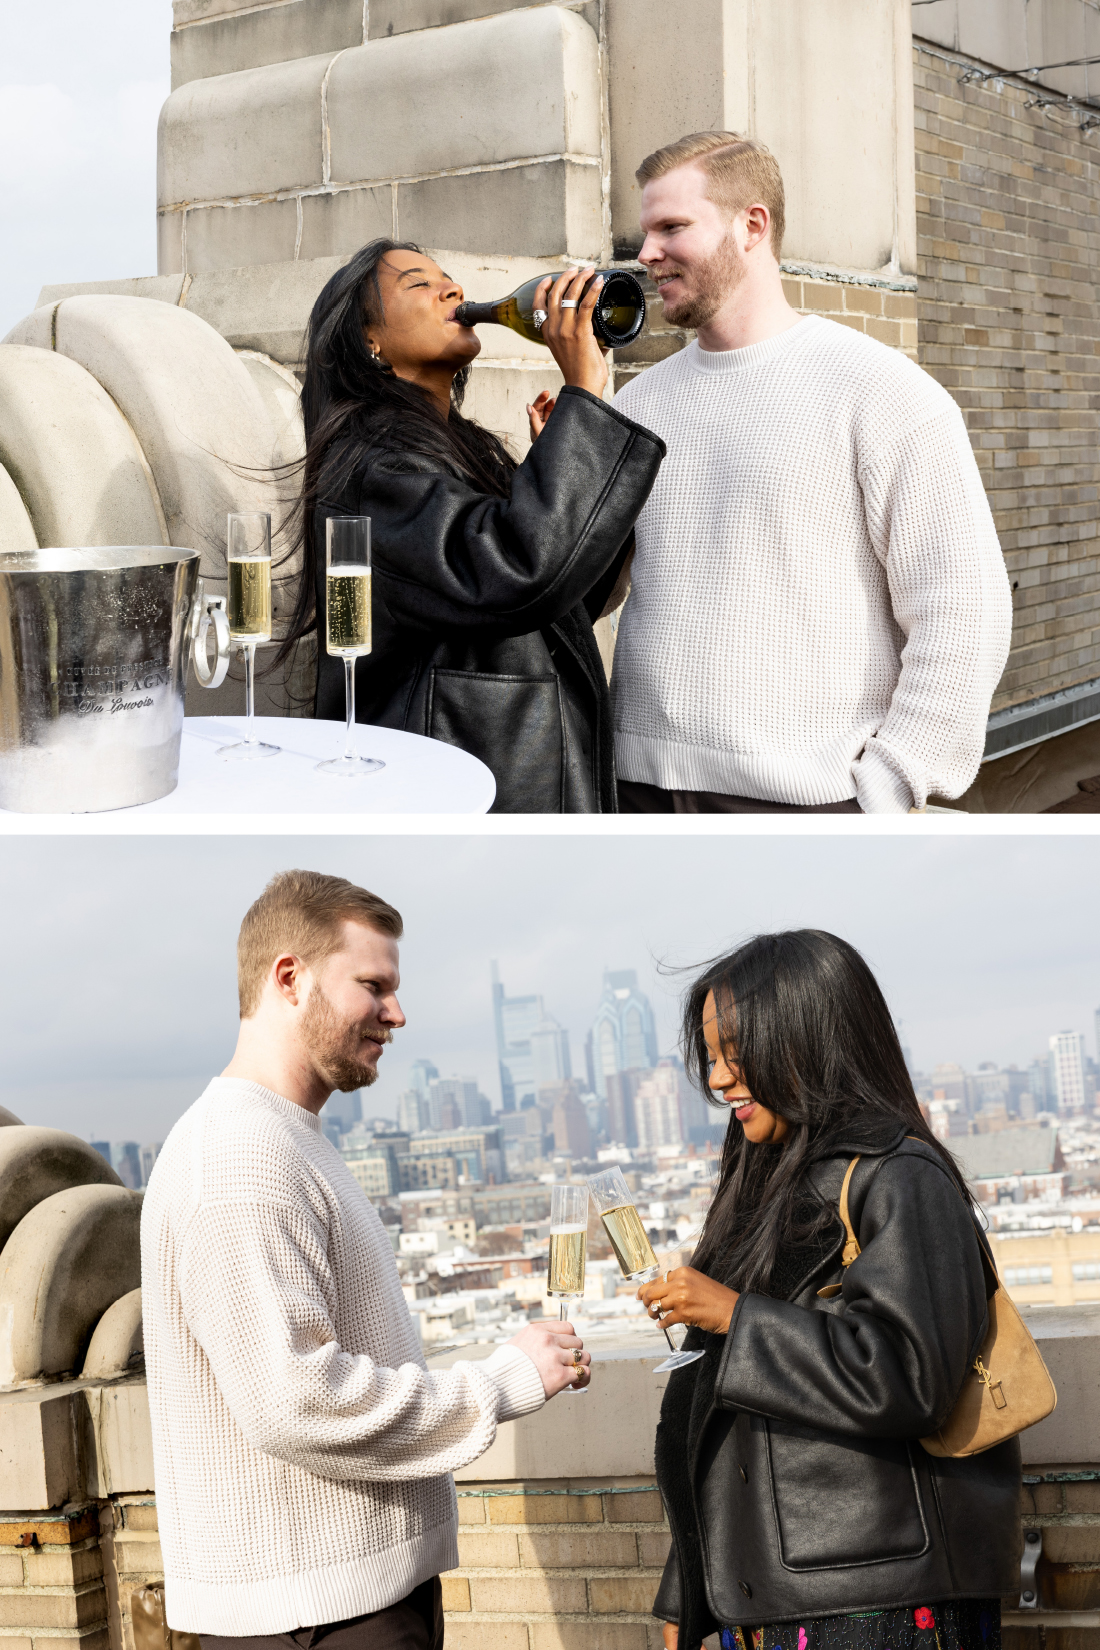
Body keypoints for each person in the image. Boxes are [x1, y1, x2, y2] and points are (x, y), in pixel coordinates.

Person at [141, 869, 590, 1650]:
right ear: (291, 977)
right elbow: (296, 1401)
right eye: (373, 984)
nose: (397, 1013)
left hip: (339, 1605)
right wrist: (502, 1381)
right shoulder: (242, 1158)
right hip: (319, 1621)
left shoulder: (282, 1137)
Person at [637, 930, 1019, 1650]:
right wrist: (687, 1594)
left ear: (808, 1041)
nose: (719, 1079)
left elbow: (909, 1378)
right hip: (782, 1601)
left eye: (736, 1053)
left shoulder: (900, 1176)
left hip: (889, 1602)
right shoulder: (763, 1188)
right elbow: (717, 1421)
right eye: (712, 1057)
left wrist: (734, 1316)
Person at [611, 132, 1014, 814]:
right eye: (646, 231)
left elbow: (963, 611)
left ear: (752, 225)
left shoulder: (882, 392)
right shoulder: (634, 405)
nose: (646, 253)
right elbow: (591, 589)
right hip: (636, 789)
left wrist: (888, 787)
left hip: (806, 803)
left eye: (672, 227)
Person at [279, 240, 664, 813]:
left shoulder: (459, 449)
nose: (453, 291)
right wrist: (583, 395)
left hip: (516, 779)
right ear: (370, 341)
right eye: (418, 284)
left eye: (450, 279)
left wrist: (554, 460)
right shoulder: (374, 465)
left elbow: (573, 597)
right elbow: (515, 573)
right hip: (465, 794)